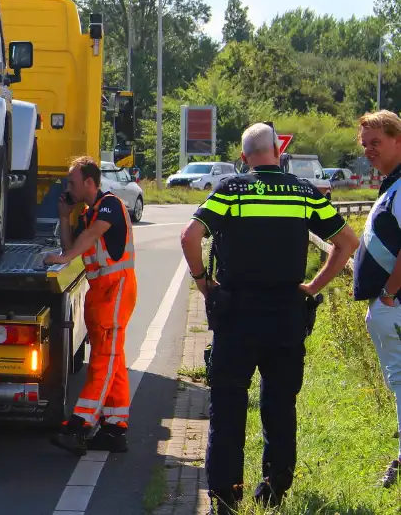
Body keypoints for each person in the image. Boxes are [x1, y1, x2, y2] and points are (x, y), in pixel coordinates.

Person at [180, 122, 358, 514]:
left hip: (236, 315)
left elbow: (190, 236)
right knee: (280, 404)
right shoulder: (304, 192)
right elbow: (347, 243)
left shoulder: (231, 189)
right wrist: (312, 286)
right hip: (285, 316)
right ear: (278, 152)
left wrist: (202, 282)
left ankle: (225, 497)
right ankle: (274, 488)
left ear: (243, 158)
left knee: (227, 406)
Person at [44, 156, 137, 455]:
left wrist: (65, 258)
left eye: (72, 181)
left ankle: (80, 425)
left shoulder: (110, 204)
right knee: (111, 358)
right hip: (100, 293)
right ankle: (114, 428)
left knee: (104, 359)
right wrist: (63, 216)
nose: (68, 186)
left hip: (116, 289)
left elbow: (91, 236)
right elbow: (72, 243)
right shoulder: (85, 215)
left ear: (89, 182)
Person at [350, 110, 401, 489]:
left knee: (400, 381)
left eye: (376, 142)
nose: (369, 149)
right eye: (364, 143)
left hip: (394, 303)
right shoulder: (391, 184)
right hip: (390, 302)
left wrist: (388, 293)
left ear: (398, 139)